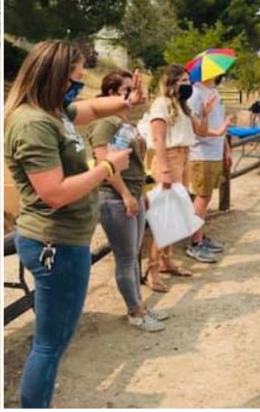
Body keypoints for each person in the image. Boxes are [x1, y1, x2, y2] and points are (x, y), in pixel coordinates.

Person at [4, 41, 144, 408]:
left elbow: (94, 107)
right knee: (50, 345)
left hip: (66, 242)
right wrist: (108, 167)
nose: (81, 84)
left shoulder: (54, 111)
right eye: (77, 78)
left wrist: (126, 102)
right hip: (56, 244)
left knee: (53, 342)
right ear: (55, 77)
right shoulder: (33, 122)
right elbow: (54, 193)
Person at [85, 71, 167, 331]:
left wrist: (140, 191)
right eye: (127, 89)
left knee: (133, 254)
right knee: (126, 258)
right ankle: (134, 311)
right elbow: (104, 163)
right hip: (115, 197)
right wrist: (125, 194)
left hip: (133, 192)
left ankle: (139, 305)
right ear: (111, 93)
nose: (134, 94)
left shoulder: (124, 120)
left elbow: (135, 162)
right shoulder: (105, 122)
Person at [141, 64, 224, 288]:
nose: (188, 85)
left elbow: (201, 131)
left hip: (185, 156)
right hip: (168, 157)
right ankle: (152, 269)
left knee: (176, 214)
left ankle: (167, 260)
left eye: (189, 81)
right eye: (183, 82)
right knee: (166, 216)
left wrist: (205, 114)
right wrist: (166, 169)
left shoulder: (183, 106)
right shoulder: (161, 104)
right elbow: (158, 138)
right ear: (171, 83)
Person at [186, 73, 231, 263]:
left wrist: (225, 148)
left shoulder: (213, 92)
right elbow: (197, 129)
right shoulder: (195, 94)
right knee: (201, 197)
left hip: (214, 152)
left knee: (206, 196)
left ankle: (200, 236)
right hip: (201, 153)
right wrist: (219, 133)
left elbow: (220, 123)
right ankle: (195, 243)